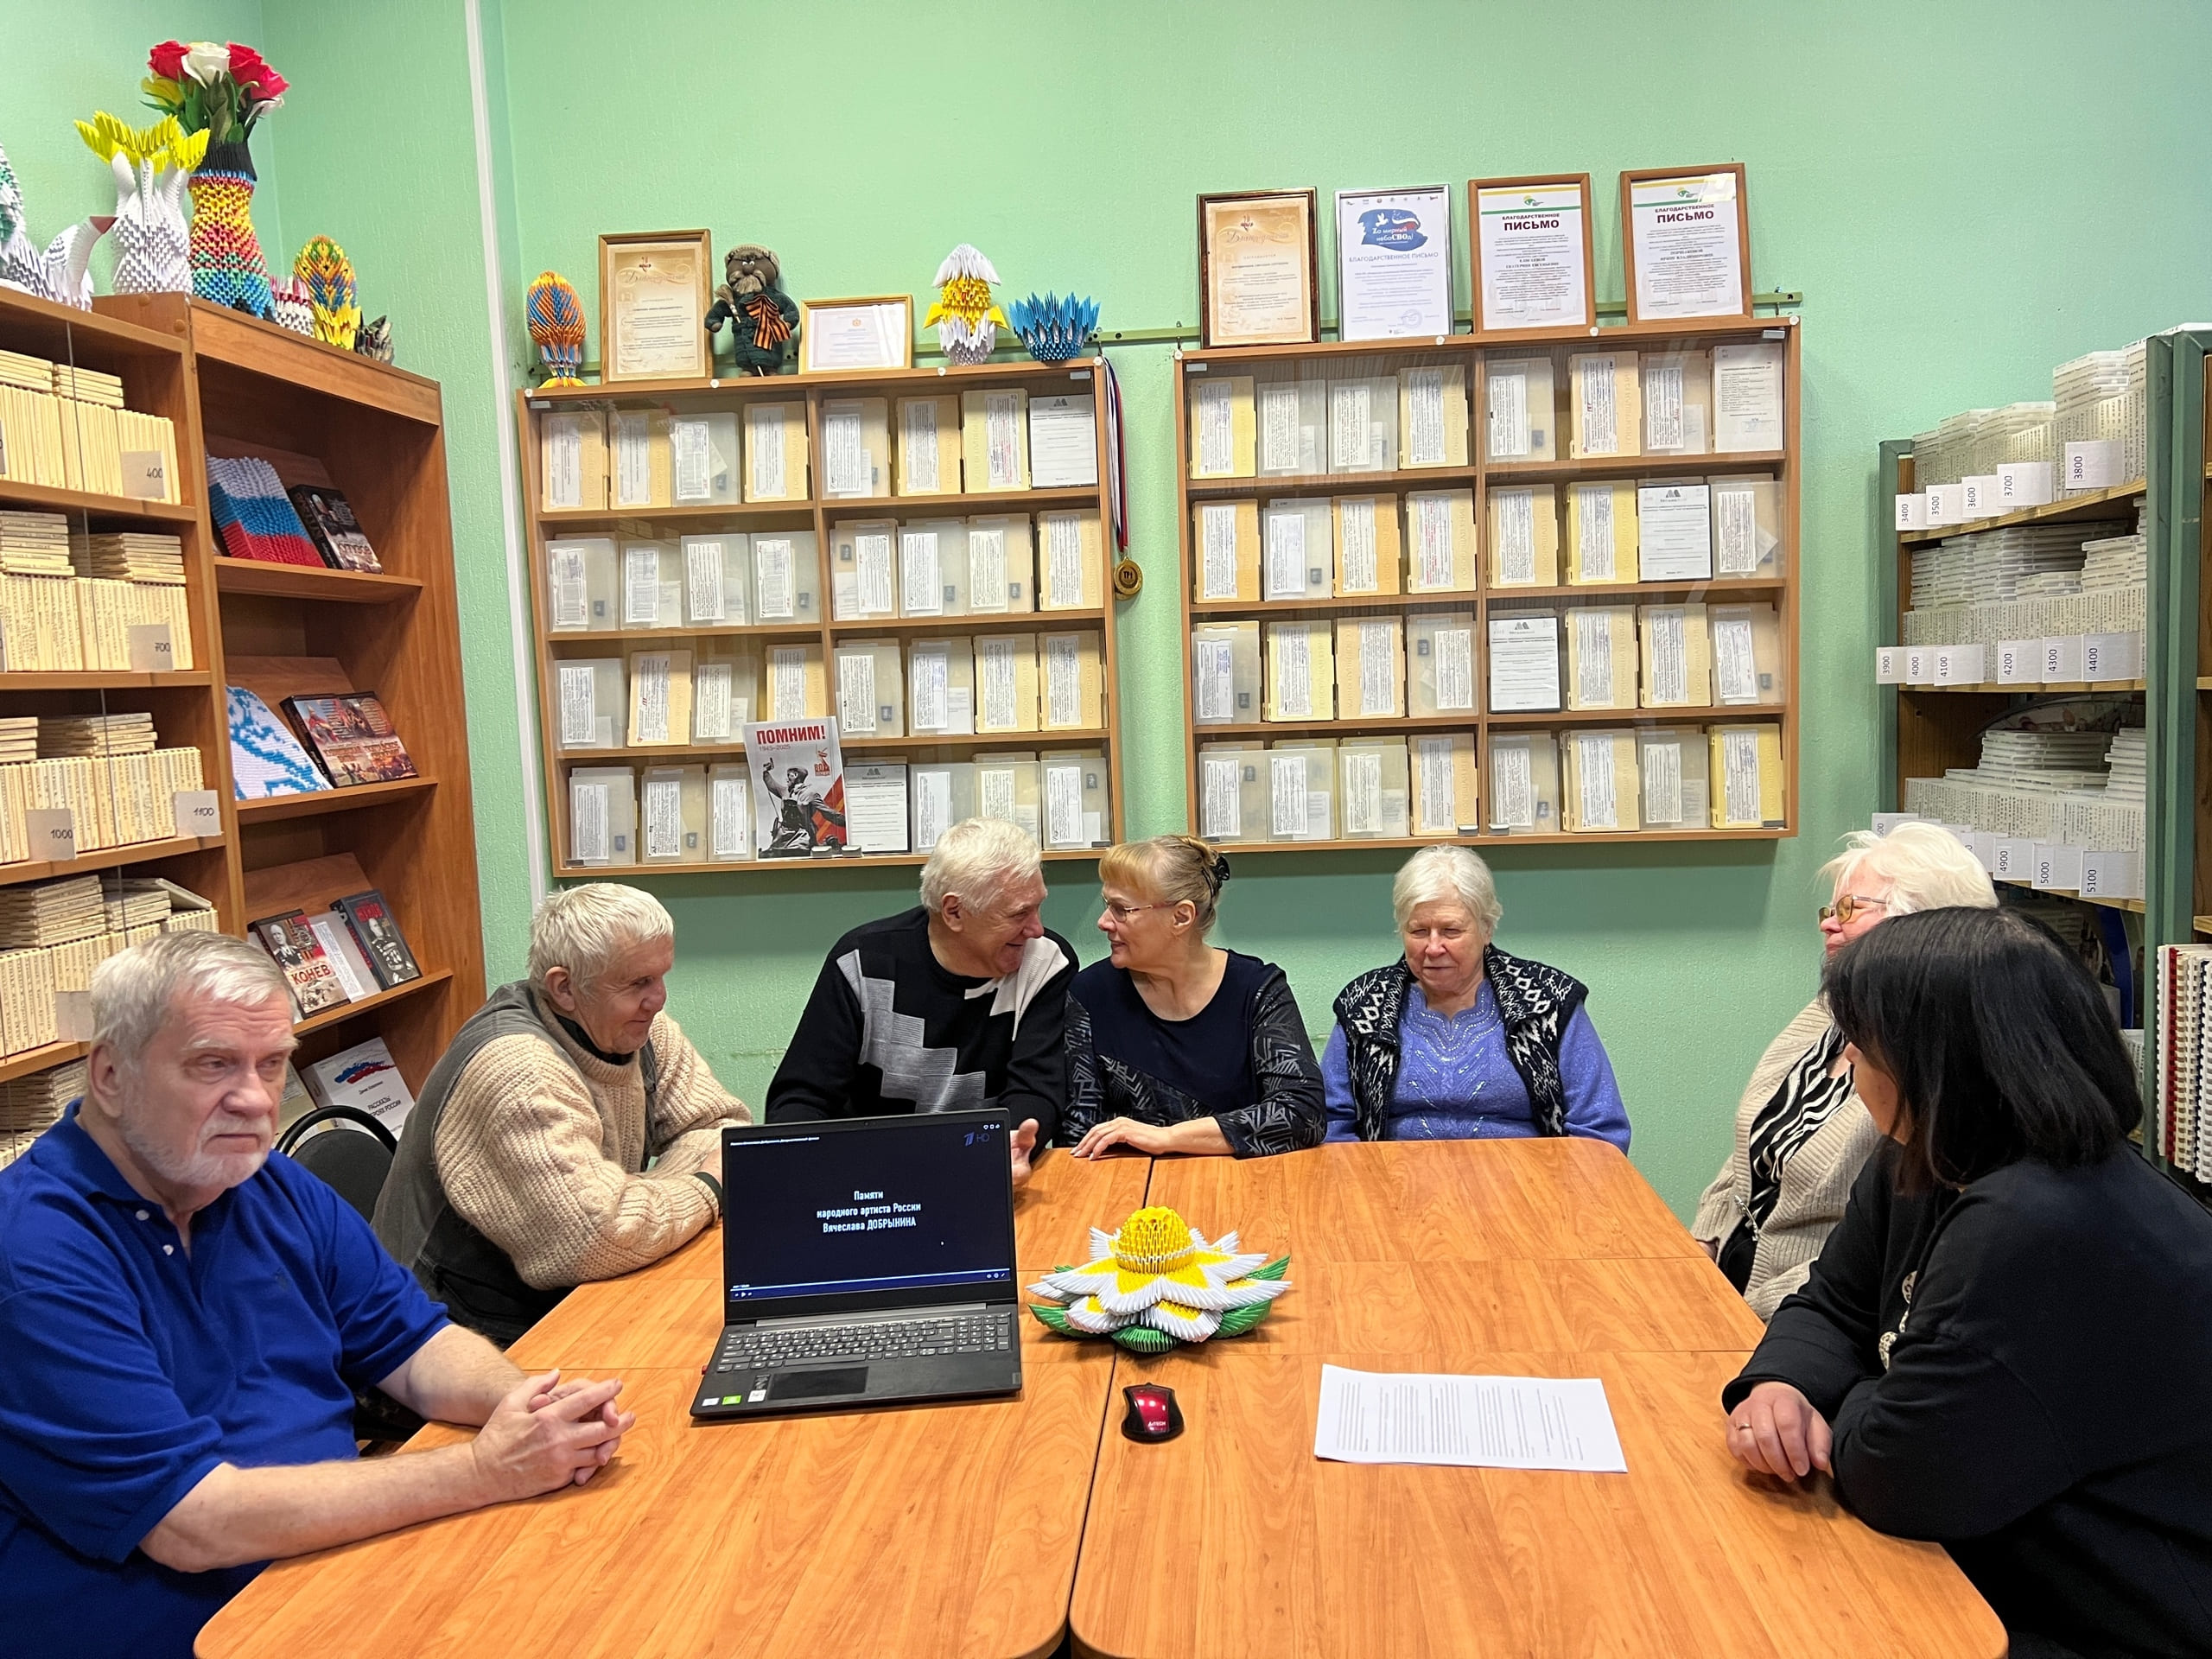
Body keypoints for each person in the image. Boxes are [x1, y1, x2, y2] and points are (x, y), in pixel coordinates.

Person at [0, 933, 635, 1659]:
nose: (253, 1099)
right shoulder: (33, 1255)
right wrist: (487, 1469)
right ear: (111, 1075)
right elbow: (190, 1523)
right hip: (186, 1633)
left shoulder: (262, 1183)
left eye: (272, 1063)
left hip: (329, 1573)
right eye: (213, 1064)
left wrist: (532, 1409)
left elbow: (415, 1343)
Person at [1721, 907, 2212, 1658]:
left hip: (2111, 1615)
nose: (1846, 1058)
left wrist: (1858, 1397)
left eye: (1864, 1043)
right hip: (1993, 1556)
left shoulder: (2041, 1223)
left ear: (1936, 1062)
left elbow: (1899, 1477)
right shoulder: (1927, 1153)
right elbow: (1832, 1300)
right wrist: (1781, 1385)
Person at [375, 883, 750, 1346]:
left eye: (660, 977)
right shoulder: (517, 1071)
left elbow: (723, 1131)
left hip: (560, 1301)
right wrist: (706, 1185)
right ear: (564, 987)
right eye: (638, 983)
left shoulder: (637, 1029)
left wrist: (636, 1204)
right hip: (442, 1337)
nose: (659, 999)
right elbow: (600, 1238)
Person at [1692, 823, 1995, 1318]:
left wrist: (1740, 1311)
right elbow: (1749, 1152)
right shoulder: (1827, 1011)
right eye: (1830, 910)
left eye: (1850, 908)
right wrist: (1698, 1253)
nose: (1828, 925)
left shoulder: (1927, 1066)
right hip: (1726, 1283)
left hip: (1796, 1309)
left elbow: (1865, 1257)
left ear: (1922, 926)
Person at [767, 817, 1076, 1184]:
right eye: (1019, 914)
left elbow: (1036, 1090)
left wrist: (1003, 1151)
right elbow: (802, 1098)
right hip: (868, 1174)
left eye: (1038, 907)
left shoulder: (1046, 962)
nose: (1036, 929)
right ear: (954, 912)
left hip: (985, 1168)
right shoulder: (863, 962)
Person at [1321, 844, 1628, 1147]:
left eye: (1451, 931)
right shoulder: (1364, 1005)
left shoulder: (1548, 1002)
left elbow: (1600, 1131)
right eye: (1418, 931)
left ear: (1487, 929)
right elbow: (1332, 1126)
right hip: (1392, 1177)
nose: (1433, 947)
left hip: (1528, 1178)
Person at [1064, 836, 1324, 1160]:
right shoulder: (1090, 995)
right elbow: (1076, 1137)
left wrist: (1168, 1138)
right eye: (1107, 905)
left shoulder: (1258, 990)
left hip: (1244, 1180)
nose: (1103, 922)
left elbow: (1303, 1113)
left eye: (1121, 909)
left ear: (1181, 917)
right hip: (1133, 1184)